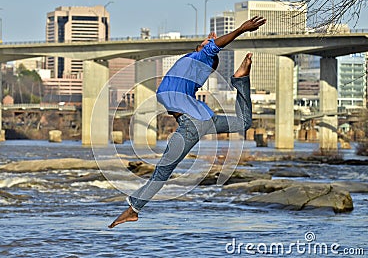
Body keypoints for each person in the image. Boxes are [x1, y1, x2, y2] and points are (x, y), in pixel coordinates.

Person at [108, 16, 266, 228]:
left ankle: (133, 210)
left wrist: (241, 29)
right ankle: (240, 80)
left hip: (192, 124)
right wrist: (211, 47)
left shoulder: (199, 58)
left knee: (162, 172)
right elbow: (211, 51)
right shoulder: (190, 74)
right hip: (204, 120)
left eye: (209, 43)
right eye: (208, 41)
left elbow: (213, 49)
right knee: (244, 122)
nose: (210, 41)